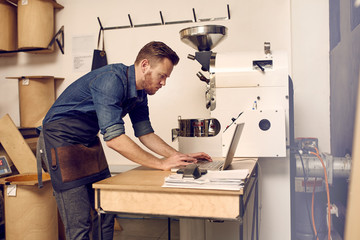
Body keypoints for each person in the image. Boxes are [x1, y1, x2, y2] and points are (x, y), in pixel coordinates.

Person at [36, 41, 212, 240]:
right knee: (80, 223)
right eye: (162, 75)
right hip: (60, 141)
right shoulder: (110, 80)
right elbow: (113, 139)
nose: (164, 82)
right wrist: (161, 163)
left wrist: (180, 157)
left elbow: (145, 133)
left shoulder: (140, 93)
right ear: (145, 65)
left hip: (87, 141)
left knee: (105, 212)